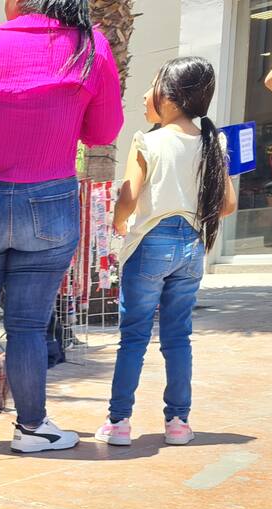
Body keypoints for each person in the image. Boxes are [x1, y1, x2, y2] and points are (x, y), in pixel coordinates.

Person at [0, 0, 122, 454]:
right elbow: (103, 132)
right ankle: (32, 428)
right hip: (50, 203)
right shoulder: (90, 45)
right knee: (28, 327)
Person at [95, 58, 235, 447]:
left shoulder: (148, 140)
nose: (145, 95)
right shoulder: (213, 141)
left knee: (134, 337)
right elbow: (227, 205)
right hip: (192, 245)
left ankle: (119, 423)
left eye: (152, 86)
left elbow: (129, 196)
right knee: (178, 337)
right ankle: (178, 423)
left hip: (150, 243)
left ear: (171, 98)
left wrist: (119, 221)